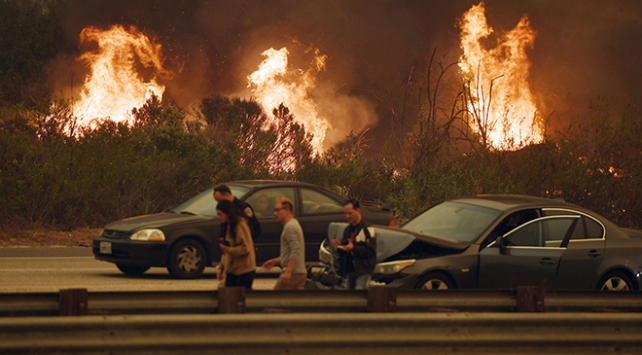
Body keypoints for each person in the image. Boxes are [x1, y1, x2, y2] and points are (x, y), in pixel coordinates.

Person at [261, 198, 307, 290]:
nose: (275, 213)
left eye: (277, 210)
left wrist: (288, 271)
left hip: (293, 273)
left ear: (286, 210)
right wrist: (275, 261)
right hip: (300, 272)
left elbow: (296, 249)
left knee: (275, 301)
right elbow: (292, 252)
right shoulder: (294, 224)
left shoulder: (290, 227)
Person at [331, 199, 376, 290]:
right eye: (345, 214)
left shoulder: (367, 229)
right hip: (350, 269)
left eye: (350, 213)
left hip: (363, 269)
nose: (347, 216)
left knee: (358, 294)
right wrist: (339, 246)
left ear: (358, 211)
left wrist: (354, 248)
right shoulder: (348, 229)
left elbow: (371, 251)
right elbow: (346, 246)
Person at [215, 199, 256, 289]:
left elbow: (245, 248)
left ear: (228, 213)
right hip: (233, 269)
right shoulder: (229, 225)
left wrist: (227, 249)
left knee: (237, 299)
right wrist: (221, 267)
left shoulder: (240, 224)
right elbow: (229, 248)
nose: (219, 217)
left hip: (243, 270)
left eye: (220, 214)